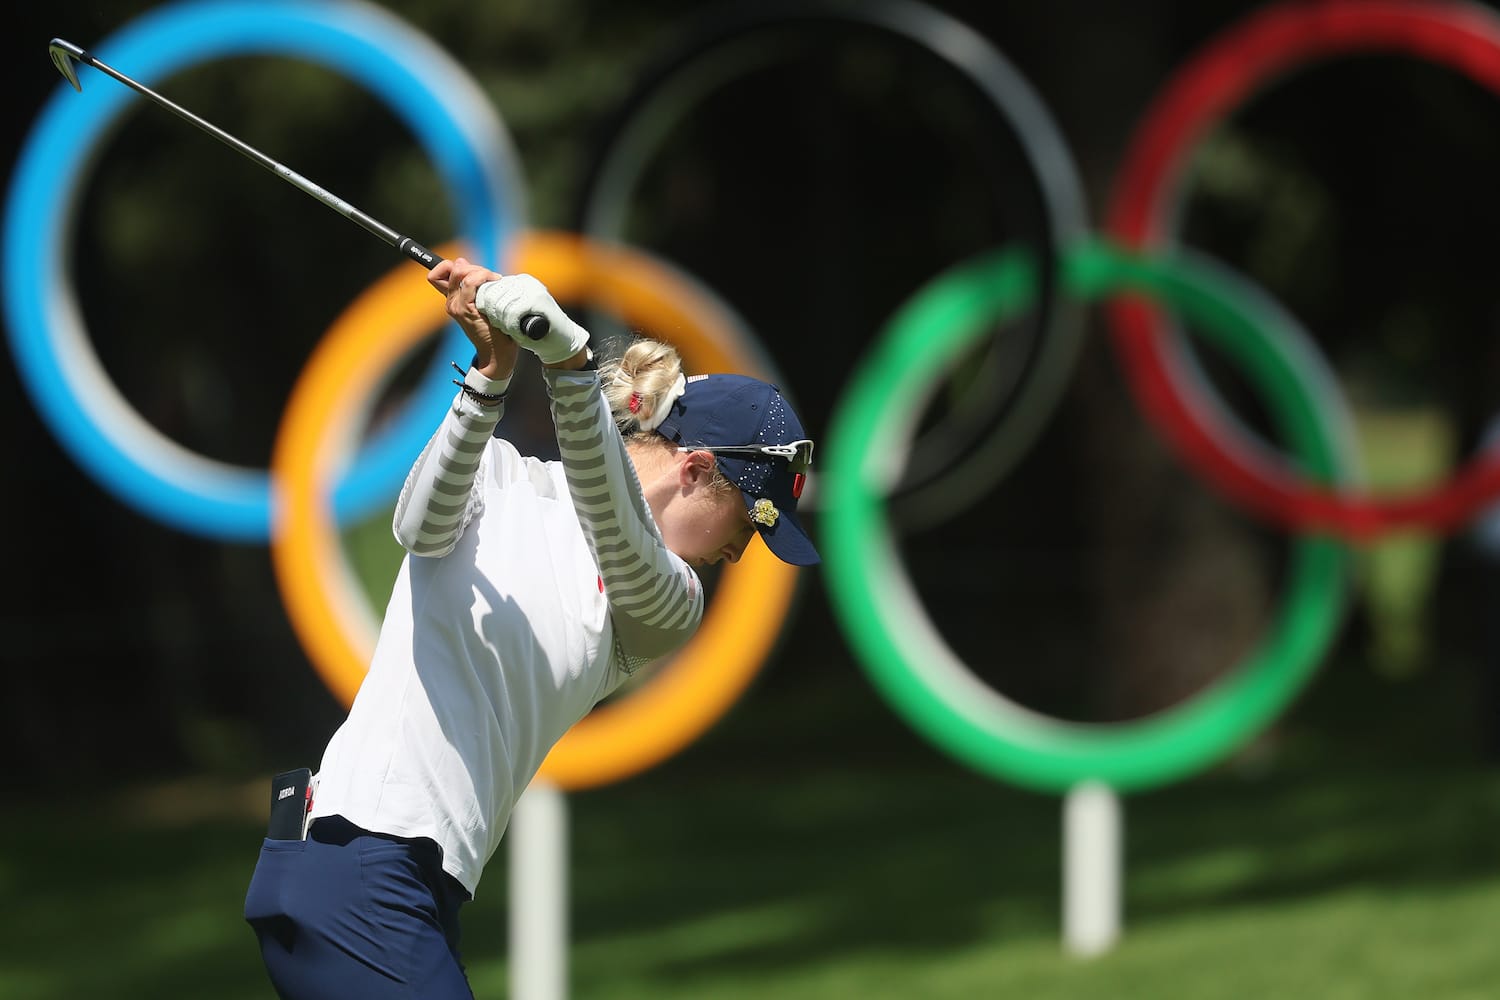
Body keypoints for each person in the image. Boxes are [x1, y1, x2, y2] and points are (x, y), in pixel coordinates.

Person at [243, 258, 819, 999]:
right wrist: (492, 371)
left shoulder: (668, 601)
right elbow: (417, 526)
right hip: (355, 865)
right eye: (747, 521)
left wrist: (566, 364)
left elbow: (616, 525)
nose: (740, 550)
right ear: (698, 468)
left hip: (407, 888)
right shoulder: (506, 474)